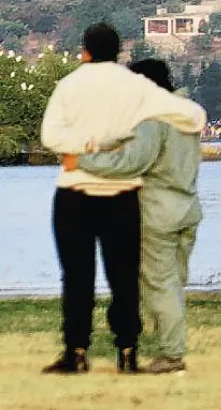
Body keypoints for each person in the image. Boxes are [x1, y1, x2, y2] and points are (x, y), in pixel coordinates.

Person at [39, 24, 206, 375]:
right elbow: (194, 117)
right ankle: (129, 351)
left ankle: (80, 351)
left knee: (80, 277)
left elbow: (52, 136)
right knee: (131, 279)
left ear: (85, 51)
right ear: (117, 51)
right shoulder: (151, 96)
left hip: (92, 194)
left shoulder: (71, 85)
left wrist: (84, 151)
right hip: (152, 201)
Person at [72, 59, 202, 375]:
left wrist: (83, 161)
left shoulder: (153, 118)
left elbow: (132, 162)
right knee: (174, 283)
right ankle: (171, 347)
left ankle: (171, 355)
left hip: (157, 211)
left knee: (160, 285)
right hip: (188, 208)